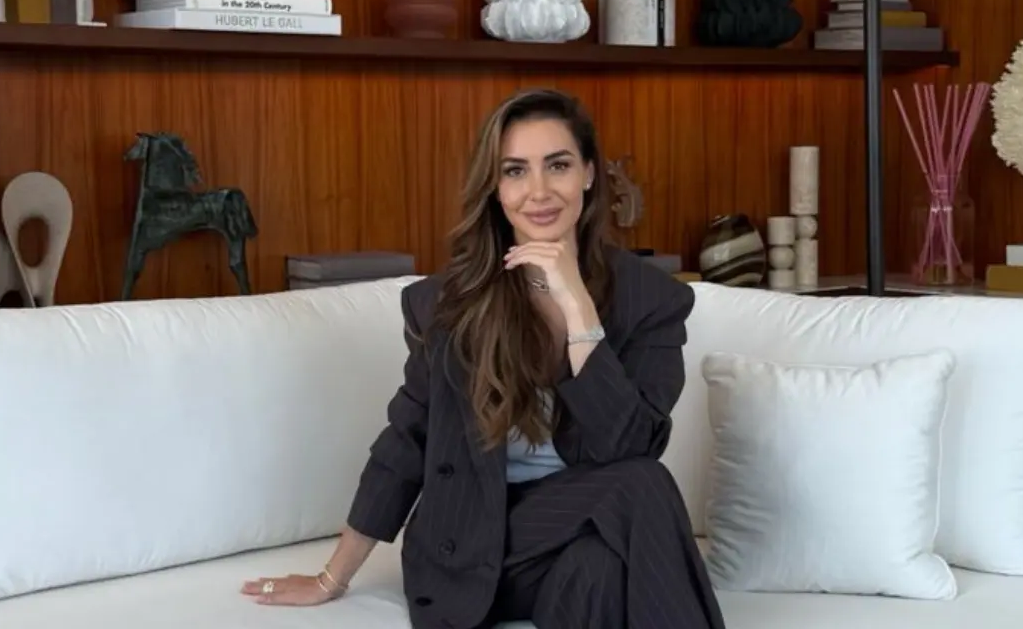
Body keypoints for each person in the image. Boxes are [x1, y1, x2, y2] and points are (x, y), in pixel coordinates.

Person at [241, 88, 725, 629]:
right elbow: (406, 442)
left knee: (602, 566)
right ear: (495, 188)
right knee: (643, 484)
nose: (538, 191)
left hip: (577, 533)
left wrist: (578, 309)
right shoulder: (446, 303)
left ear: (589, 173)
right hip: (468, 540)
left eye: (558, 165)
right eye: (515, 171)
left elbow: (629, 446)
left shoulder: (651, 300)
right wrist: (331, 578)